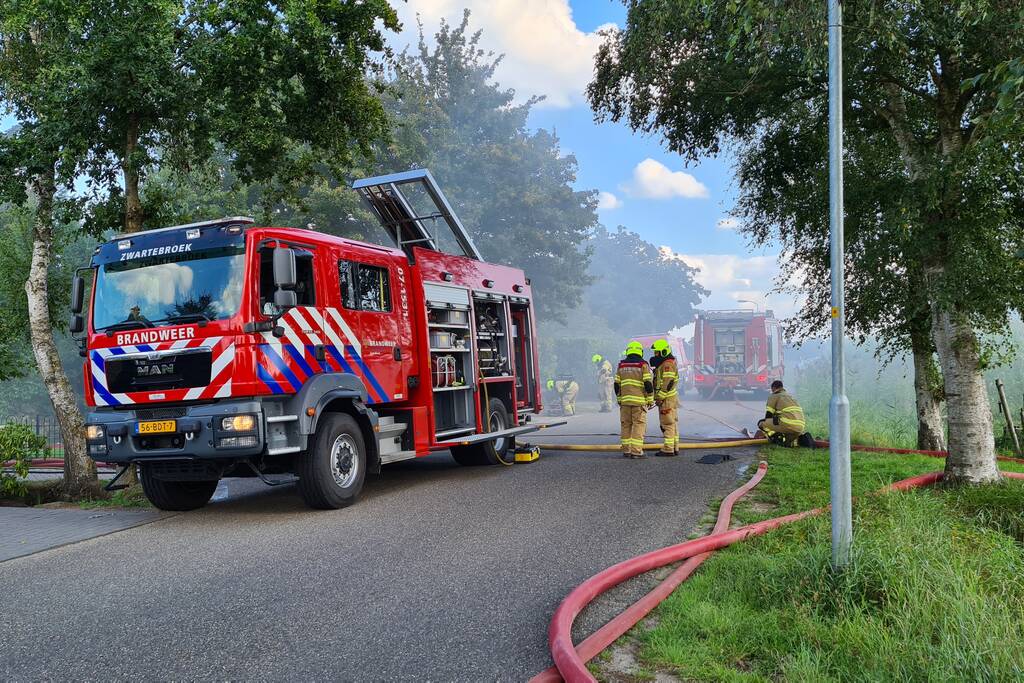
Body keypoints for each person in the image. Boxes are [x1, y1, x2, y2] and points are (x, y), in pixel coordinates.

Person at [615, 341, 654, 459]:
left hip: (625, 402)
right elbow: (648, 383)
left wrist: (619, 399)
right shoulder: (643, 365)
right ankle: (636, 451)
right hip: (639, 402)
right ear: (640, 351)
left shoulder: (621, 365)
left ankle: (626, 450)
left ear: (628, 351)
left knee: (626, 425)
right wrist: (650, 399)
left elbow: (616, 384)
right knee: (638, 425)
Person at [757, 380, 814, 448]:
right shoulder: (790, 397)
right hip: (800, 427)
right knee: (787, 443)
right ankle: (789, 441)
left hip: (787, 425)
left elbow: (769, 415)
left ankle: (776, 438)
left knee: (761, 423)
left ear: (774, 388)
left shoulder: (775, 396)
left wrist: (768, 426)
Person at [650, 339, 679, 456]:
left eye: (656, 352)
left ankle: (668, 449)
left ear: (663, 352)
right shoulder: (665, 363)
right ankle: (674, 447)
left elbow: (668, 382)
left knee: (667, 424)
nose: (655, 355)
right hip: (669, 398)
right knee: (672, 423)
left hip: (666, 399)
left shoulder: (667, 364)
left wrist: (660, 397)